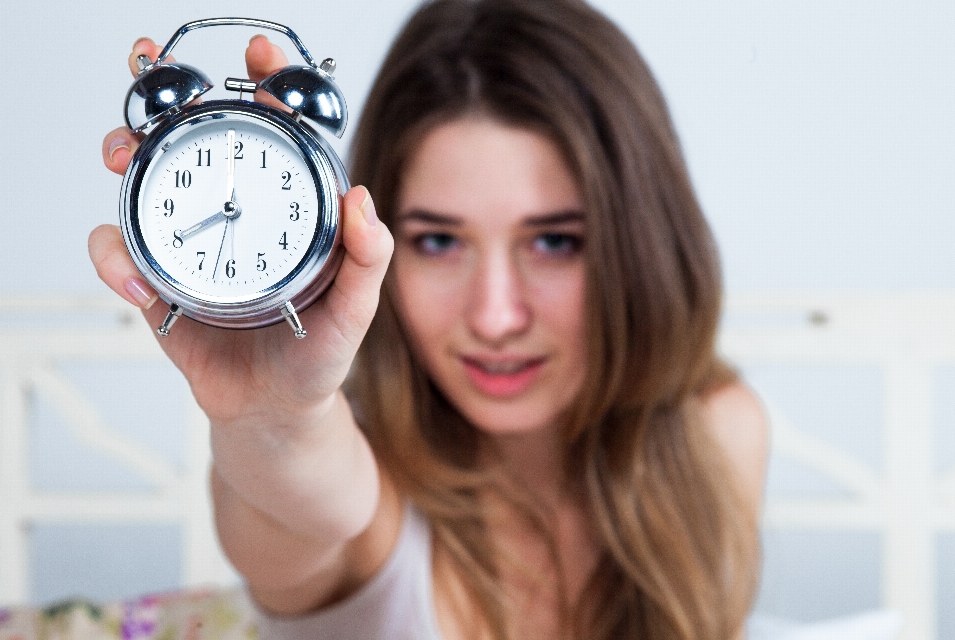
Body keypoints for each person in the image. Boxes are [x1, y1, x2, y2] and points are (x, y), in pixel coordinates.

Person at [91, 0, 768, 638]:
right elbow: (293, 495)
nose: (496, 316)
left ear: (641, 241)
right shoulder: (362, 489)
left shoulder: (717, 436)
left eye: (556, 241)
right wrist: (273, 413)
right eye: (439, 242)